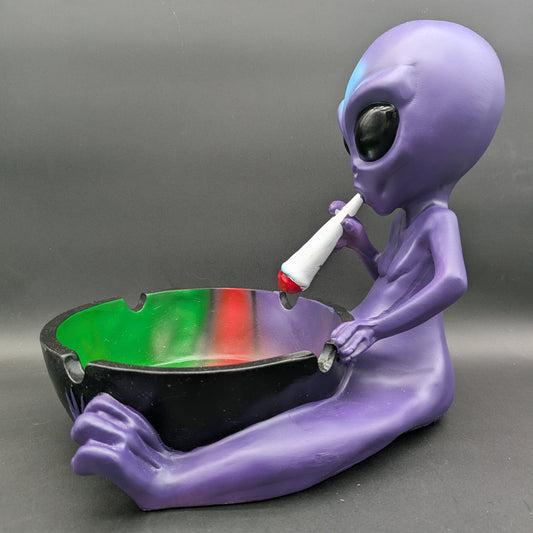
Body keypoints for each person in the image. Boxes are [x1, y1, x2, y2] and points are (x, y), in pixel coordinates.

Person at [70, 20, 505, 509]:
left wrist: (375, 328)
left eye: (372, 132)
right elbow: (393, 277)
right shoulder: (408, 220)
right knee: (289, 408)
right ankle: (176, 461)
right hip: (359, 348)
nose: (355, 164)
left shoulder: (439, 221)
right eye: (350, 142)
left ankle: (169, 478)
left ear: (448, 134)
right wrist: (361, 246)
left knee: (317, 429)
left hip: (404, 373)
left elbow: (451, 282)